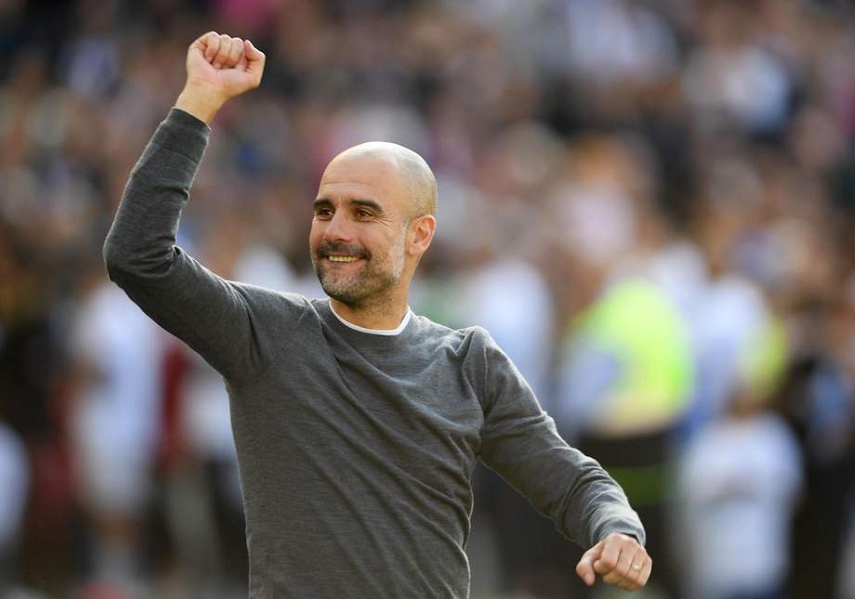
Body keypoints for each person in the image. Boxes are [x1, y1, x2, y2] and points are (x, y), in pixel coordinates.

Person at [103, 31, 652, 598]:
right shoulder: (266, 332)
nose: (336, 230)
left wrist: (617, 528)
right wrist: (199, 100)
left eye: (363, 213)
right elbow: (137, 257)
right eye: (325, 211)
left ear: (420, 234)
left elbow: (571, 481)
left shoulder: (470, 365)